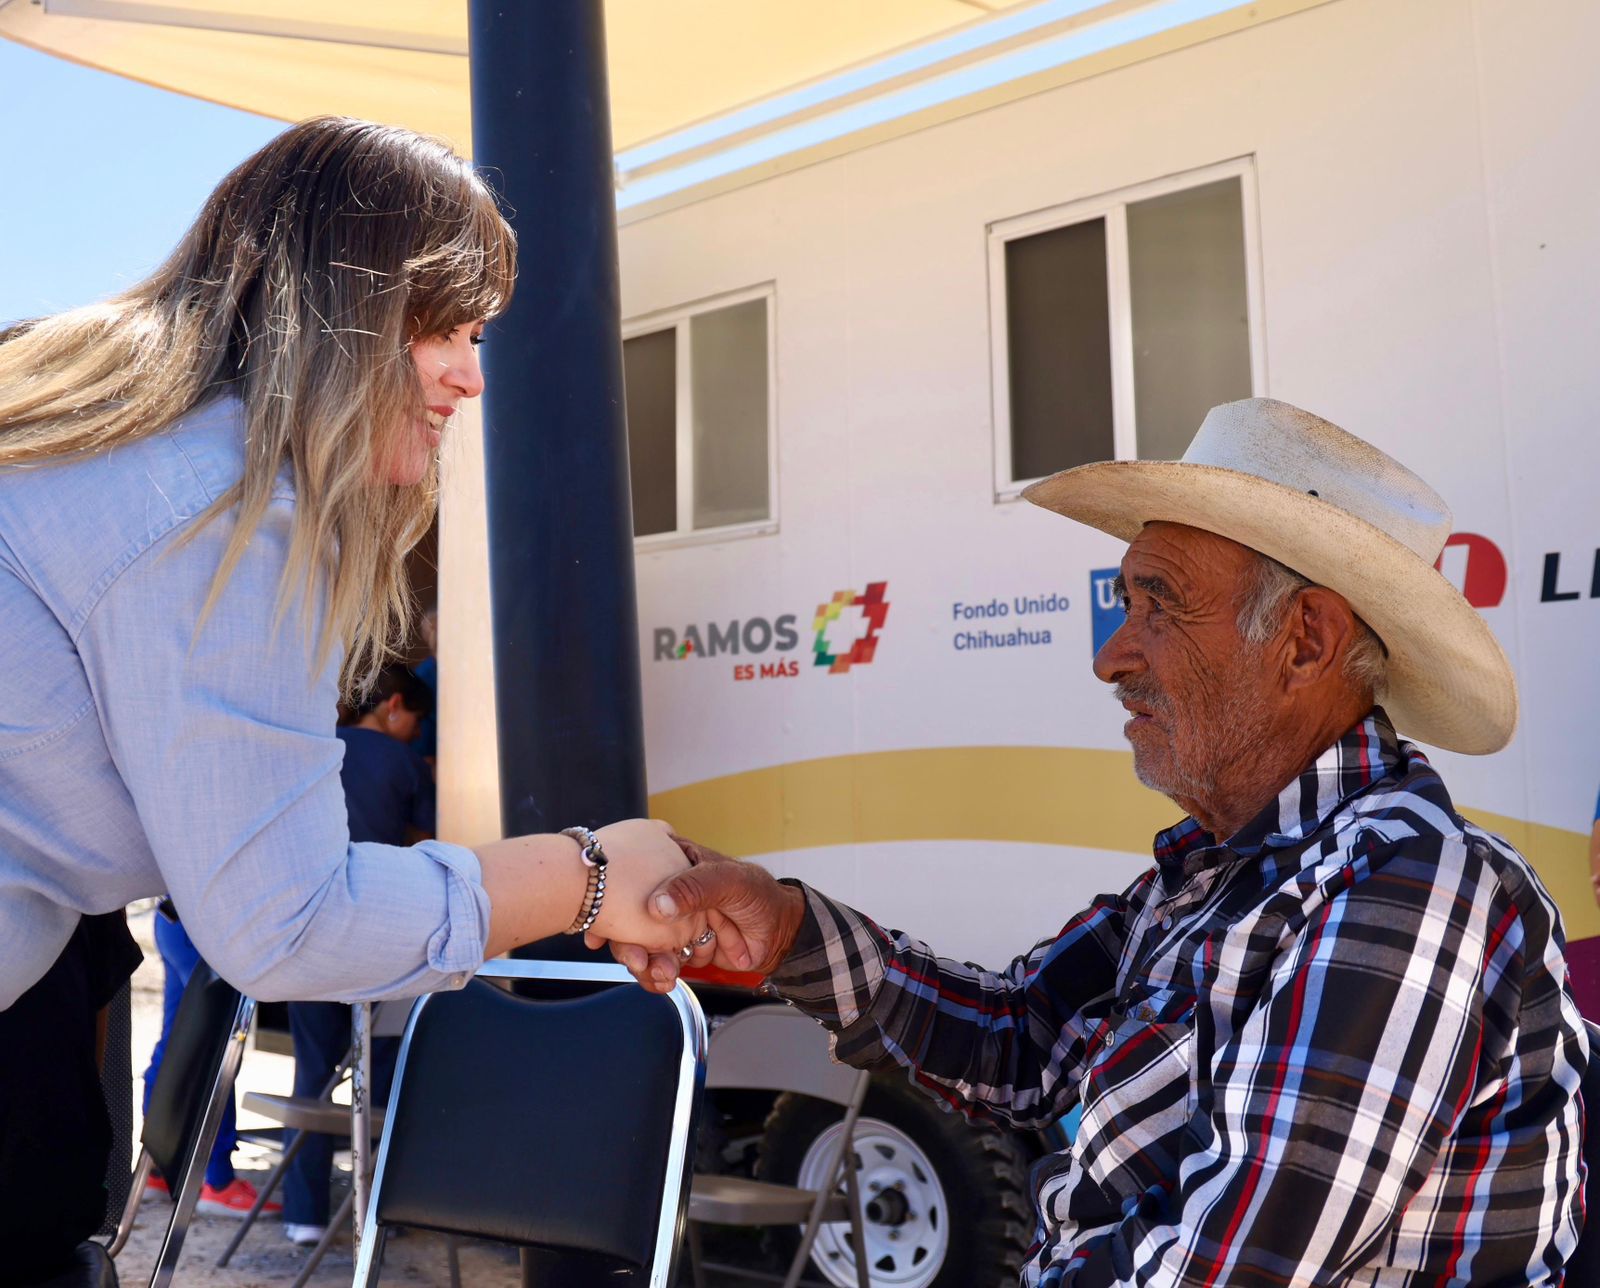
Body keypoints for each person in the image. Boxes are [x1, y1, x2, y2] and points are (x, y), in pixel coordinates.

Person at [618, 399, 1589, 1285]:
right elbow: (1017, 1040)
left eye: (1158, 603)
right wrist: (785, 930)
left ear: (1304, 639)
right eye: (1126, 601)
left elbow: (1227, 1268)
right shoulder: (1217, 873)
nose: (1109, 655)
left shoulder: (1412, 891)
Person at [0, 116, 709, 1282]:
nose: (473, 376)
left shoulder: (114, 442)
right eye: (449, 327)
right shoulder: (226, 501)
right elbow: (284, 921)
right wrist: (590, 877)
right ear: (345, 305)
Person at [282, 665, 434, 1245]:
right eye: (415, 720)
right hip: (382, 933)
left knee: (313, 1074)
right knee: (390, 1074)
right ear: (393, 705)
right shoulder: (404, 764)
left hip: (312, 932)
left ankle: (303, 1216)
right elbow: (426, 847)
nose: (416, 733)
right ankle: (384, 1212)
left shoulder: (317, 748)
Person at [141, 907, 283, 1218]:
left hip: (174, 919)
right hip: (204, 925)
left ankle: (156, 1170)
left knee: (176, 1041)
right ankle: (218, 1183)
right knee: (219, 1049)